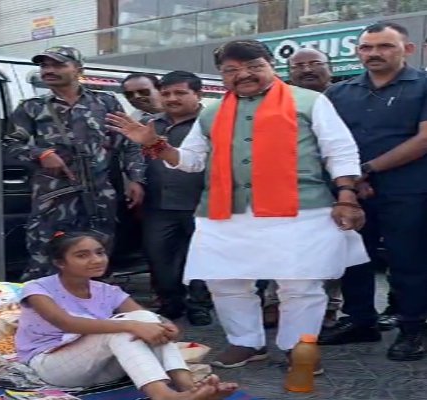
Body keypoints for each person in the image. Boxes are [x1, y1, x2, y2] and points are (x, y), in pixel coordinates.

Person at [107, 39, 369, 370]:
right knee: (224, 281)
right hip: (225, 211)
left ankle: (298, 347)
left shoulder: (310, 101)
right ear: (222, 74)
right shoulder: (212, 112)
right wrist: (155, 144)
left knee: (300, 284)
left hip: (300, 209)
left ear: (272, 66)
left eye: (254, 67)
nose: (243, 75)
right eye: (232, 70)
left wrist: (347, 195)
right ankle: (246, 342)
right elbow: (190, 161)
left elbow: (339, 149)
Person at [15, 231, 238, 400]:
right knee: (123, 328)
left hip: (101, 368)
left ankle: (188, 388)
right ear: (60, 263)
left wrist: (166, 327)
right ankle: (163, 395)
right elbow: (67, 323)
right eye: (82, 255)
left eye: (100, 253)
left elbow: (145, 318)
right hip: (52, 366)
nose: (96, 260)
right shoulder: (38, 288)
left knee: (144, 320)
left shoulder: (108, 291)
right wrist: (132, 326)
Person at [318, 22, 427, 362]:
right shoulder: (338, 93)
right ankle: (360, 321)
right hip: (351, 192)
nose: (374, 53)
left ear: (407, 49)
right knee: (353, 257)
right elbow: (325, 141)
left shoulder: (423, 86)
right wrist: (349, 181)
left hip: (409, 190)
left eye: (385, 46)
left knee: (408, 260)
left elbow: (424, 139)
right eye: (367, 47)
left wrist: (367, 169)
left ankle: (413, 328)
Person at [3, 46, 146, 281]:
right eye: (45, 66)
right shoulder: (32, 107)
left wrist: (136, 179)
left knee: (96, 259)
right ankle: (44, 303)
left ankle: (92, 302)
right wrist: (40, 154)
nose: (49, 70)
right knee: (46, 258)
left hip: (99, 197)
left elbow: (129, 142)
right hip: (55, 197)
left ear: (78, 69)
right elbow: (10, 144)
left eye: (58, 65)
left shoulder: (105, 102)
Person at [262, 48, 343, 329]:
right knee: (282, 247)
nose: (307, 69)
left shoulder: (346, 97)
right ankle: (274, 302)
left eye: (314, 63)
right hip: (287, 186)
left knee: (331, 249)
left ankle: (329, 306)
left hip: (336, 185)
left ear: (330, 68)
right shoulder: (275, 100)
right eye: (298, 66)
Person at [140, 71, 212, 326]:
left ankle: (199, 306)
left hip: (201, 203)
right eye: (166, 93)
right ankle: (170, 303)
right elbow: (133, 157)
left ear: (198, 94)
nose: (172, 98)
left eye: (180, 93)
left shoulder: (211, 123)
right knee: (159, 257)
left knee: (202, 258)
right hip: (158, 205)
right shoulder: (149, 124)